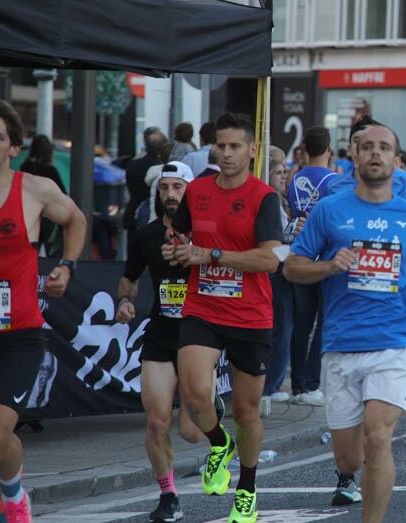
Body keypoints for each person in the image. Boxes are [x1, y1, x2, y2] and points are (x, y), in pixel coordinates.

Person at [283, 121, 406, 521]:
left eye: (384, 147)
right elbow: (293, 268)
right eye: (368, 147)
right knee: (349, 460)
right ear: (354, 156)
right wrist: (330, 266)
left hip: (393, 339)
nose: (376, 153)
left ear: (395, 159)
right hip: (341, 343)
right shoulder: (330, 209)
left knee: (379, 437)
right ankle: (350, 472)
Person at [161, 112, 282, 523]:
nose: (226, 153)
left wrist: (211, 255)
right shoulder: (196, 191)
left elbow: (270, 260)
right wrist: (176, 249)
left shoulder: (264, 196)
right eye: (221, 146)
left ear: (251, 150)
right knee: (194, 395)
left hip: (250, 314)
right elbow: (180, 237)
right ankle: (219, 445)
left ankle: (246, 488)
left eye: (235, 146)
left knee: (247, 413)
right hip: (203, 307)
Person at [0, 99, 87, 523]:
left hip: (18, 335)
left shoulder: (33, 189)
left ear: (14, 147)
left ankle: (15, 499)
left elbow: (76, 219)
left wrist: (67, 265)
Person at [114, 161, 207, 522]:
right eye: (165, 188)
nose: (170, 194)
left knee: (192, 433)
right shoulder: (146, 235)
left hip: (200, 335)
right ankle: (168, 496)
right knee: (156, 422)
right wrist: (125, 301)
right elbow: (129, 279)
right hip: (161, 332)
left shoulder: (204, 232)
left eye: (177, 188)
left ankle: (205, 401)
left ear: (190, 192)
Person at [284, 127, 339, 407]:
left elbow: (293, 217)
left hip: (299, 254)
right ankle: (312, 383)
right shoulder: (335, 181)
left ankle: (296, 387)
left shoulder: (294, 179)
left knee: (301, 322)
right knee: (323, 322)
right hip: (324, 257)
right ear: (329, 148)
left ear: (304, 148)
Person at [263, 147, 298, 405]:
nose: (283, 176)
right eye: (278, 171)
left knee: (281, 328)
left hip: (281, 271)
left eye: (285, 171)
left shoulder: (279, 199)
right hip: (276, 271)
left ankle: (271, 382)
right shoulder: (270, 201)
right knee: (281, 329)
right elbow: (275, 241)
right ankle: (271, 384)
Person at [18, 134, 66, 256]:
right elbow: (62, 195)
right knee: (50, 254)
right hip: (46, 217)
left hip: (26, 215)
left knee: (30, 251)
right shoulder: (50, 171)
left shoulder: (24, 168)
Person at [125, 126, 166, 235]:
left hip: (133, 213)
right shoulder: (162, 170)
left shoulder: (133, 165)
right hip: (152, 217)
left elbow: (130, 188)